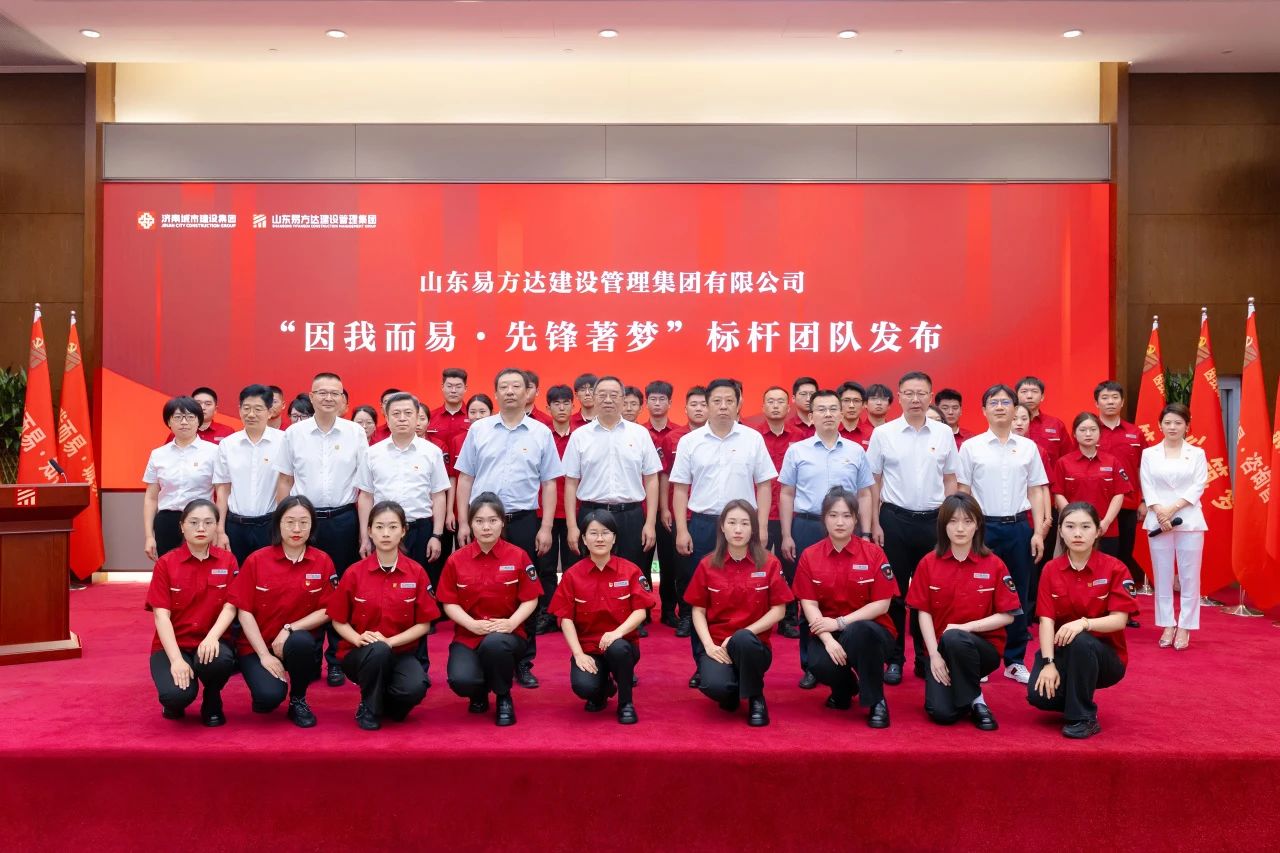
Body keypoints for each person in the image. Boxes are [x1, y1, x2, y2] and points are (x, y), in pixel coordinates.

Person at [454, 368, 563, 688]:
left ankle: (523, 662)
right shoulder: (479, 429)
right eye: (504, 386)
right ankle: (479, 650)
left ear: (528, 392)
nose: (511, 391)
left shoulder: (540, 432)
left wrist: (545, 527)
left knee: (524, 592)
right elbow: (465, 478)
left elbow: (550, 483)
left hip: (524, 521)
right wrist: (464, 521)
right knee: (480, 589)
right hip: (484, 522)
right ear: (496, 393)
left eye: (517, 386)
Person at [274, 372, 371, 687]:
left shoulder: (355, 432)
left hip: (344, 519)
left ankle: (337, 659)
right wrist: (284, 523)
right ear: (311, 396)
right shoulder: (294, 434)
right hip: (305, 521)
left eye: (334, 393)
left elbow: (365, 485)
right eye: (322, 392)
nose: (328, 398)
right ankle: (309, 656)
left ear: (343, 399)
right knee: (307, 589)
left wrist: (364, 532)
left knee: (341, 589)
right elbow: (285, 480)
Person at [866, 371, 960, 686]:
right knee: (895, 593)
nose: (915, 399)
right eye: (909, 393)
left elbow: (950, 478)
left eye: (921, 393)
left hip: (933, 521)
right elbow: (873, 481)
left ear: (930, 397)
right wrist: (874, 522)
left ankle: (925, 657)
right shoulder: (884, 434)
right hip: (894, 520)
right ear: (900, 396)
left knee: (930, 594)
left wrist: (949, 521)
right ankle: (894, 658)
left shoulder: (943, 433)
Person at [670, 378, 777, 649]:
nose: (723, 406)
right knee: (701, 590)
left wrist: (762, 526)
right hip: (704, 524)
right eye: (717, 401)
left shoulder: (752, 439)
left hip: (743, 525)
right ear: (707, 404)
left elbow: (765, 485)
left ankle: (743, 644)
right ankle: (703, 652)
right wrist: (682, 529)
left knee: (742, 587)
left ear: (739, 404)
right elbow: (680, 489)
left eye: (730, 400)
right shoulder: (689, 442)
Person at [778, 388, 874, 688]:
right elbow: (787, 493)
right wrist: (786, 534)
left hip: (847, 529)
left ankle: (849, 657)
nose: (829, 414)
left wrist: (866, 532)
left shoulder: (856, 451)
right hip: (808, 526)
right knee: (809, 597)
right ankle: (811, 664)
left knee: (848, 592)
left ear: (843, 412)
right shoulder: (797, 451)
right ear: (811, 415)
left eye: (834, 409)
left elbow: (865, 494)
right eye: (821, 409)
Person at [957, 384, 1048, 685]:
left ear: (1015, 409)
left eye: (1005, 402)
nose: (999, 407)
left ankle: (1014, 660)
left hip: (1019, 527)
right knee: (978, 592)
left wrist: (1038, 531)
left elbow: (1036, 490)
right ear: (983, 410)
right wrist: (965, 530)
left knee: (1017, 592)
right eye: (993, 402)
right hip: (982, 529)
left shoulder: (1028, 448)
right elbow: (963, 491)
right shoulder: (971, 447)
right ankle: (980, 657)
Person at [907, 493, 1021, 730]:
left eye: (967, 521)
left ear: (977, 525)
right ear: (943, 525)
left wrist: (964, 628)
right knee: (942, 714)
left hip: (983, 650)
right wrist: (934, 656)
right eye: (953, 521)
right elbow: (923, 612)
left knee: (954, 636)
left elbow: (1008, 615)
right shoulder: (928, 563)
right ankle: (965, 694)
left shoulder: (994, 564)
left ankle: (977, 700)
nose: (960, 528)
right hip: (941, 651)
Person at [1028, 502, 1139, 738]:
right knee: (1039, 697)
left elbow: (1119, 620)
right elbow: (1046, 621)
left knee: (1081, 640)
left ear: (1098, 531)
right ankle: (1074, 697)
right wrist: (1048, 663)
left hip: (1104, 657)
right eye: (1070, 526)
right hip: (1063, 651)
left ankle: (1084, 717)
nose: (1077, 533)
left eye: (1085, 527)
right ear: (1060, 531)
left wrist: (1084, 623)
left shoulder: (1115, 568)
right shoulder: (1050, 569)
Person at [329, 501, 437, 730]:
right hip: (361, 654)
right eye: (379, 527)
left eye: (393, 527)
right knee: (377, 651)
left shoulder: (416, 572)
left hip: (400, 652)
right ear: (369, 531)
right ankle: (369, 707)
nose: (386, 533)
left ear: (404, 530)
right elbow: (338, 619)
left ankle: (381, 699)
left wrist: (390, 642)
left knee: (414, 689)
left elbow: (424, 624)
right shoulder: (354, 573)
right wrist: (357, 638)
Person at [793, 488, 896, 728]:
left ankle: (876, 701)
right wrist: (828, 640)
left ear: (856, 519)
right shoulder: (810, 556)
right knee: (818, 663)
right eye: (833, 515)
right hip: (827, 631)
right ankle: (846, 689)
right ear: (824, 518)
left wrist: (840, 623)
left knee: (860, 631)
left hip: (872, 632)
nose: (840, 522)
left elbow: (883, 604)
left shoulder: (873, 553)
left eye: (847, 516)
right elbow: (808, 604)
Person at [684, 500, 793, 726]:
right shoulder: (707, 564)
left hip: (753, 647)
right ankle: (733, 689)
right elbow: (698, 610)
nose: (738, 529)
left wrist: (740, 635)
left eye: (744, 523)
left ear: (753, 529)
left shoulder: (769, 563)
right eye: (732, 523)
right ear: (722, 527)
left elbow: (779, 610)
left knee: (743, 639)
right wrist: (709, 646)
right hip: (718, 647)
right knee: (715, 687)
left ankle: (756, 697)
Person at [437, 493, 541, 726]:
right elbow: (449, 602)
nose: (486, 527)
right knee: (461, 680)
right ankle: (479, 692)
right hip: (469, 635)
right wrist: (471, 624)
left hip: (507, 634)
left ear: (502, 522)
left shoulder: (518, 556)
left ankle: (504, 696)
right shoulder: (456, 560)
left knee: (495, 644)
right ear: (470, 524)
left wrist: (511, 623)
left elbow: (531, 598)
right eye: (479, 521)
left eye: (493, 520)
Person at [229, 496, 333, 727]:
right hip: (257, 647)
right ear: (278, 524)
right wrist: (264, 655)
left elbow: (328, 609)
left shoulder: (322, 561)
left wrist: (290, 628)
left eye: (304, 522)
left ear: (312, 526)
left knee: (302, 640)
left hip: (296, 646)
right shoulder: (257, 560)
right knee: (269, 697)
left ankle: (298, 700)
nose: (297, 529)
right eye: (290, 522)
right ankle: (265, 690)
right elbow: (243, 610)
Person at [549, 510, 656, 724]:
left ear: (614, 538)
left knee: (618, 649)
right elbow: (565, 619)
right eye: (593, 533)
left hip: (621, 646)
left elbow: (641, 611)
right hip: (589, 649)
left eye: (605, 533)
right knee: (584, 687)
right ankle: (603, 688)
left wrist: (616, 633)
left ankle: (626, 703)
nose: (599, 539)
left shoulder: (630, 571)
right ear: (584, 539)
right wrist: (578, 654)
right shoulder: (572, 575)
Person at [145, 499, 237, 726]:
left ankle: (212, 698)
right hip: (174, 644)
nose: (201, 528)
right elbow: (161, 616)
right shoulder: (166, 563)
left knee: (220, 660)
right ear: (182, 526)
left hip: (210, 641)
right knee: (176, 696)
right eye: (194, 522)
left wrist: (213, 637)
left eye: (208, 522)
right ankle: (175, 702)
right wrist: (176, 660)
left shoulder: (228, 560)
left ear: (217, 526)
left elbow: (230, 606)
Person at [563, 375, 661, 572]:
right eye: (602, 395)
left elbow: (651, 479)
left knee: (633, 572)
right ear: (594, 398)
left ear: (623, 399)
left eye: (614, 395)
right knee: (592, 574)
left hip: (631, 516)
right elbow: (570, 483)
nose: (608, 400)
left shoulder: (639, 434)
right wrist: (572, 526)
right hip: (591, 515)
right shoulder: (580, 436)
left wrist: (650, 523)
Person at [1139, 402, 1208, 651]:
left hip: (1189, 519)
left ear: (1187, 426)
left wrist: (1172, 509)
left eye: (1178, 423)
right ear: (1160, 425)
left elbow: (1199, 485)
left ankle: (1185, 625)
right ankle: (1167, 623)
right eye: (1167, 422)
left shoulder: (1196, 454)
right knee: (1162, 574)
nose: (1172, 427)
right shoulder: (1150, 454)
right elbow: (1147, 484)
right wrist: (1160, 511)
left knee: (1190, 576)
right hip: (1157, 520)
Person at [360, 393, 449, 574]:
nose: (402, 418)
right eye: (396, 413)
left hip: (420, 530)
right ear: (387, 418)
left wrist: (436, 535)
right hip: (383, 531)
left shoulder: (432, 452)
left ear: (416, 417)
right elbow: (366, 496)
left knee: (421, 580)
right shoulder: (372, 453)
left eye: (408, 413)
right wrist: (365, 537)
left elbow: (439, 495)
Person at [752, 386, 805, 638]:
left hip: (789, 515)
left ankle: (789, 618)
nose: (775, 406)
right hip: (758, 513)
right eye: (770, 401)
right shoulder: (753, 437)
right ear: (763, 406)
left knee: (790, 568)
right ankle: (757, 616)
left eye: (780, 401)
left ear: (788, 406)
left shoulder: (800, 437)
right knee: (756, 567)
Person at [213, 384, 284, 565]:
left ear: (270, 412)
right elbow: (222, 490)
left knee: (270, 575)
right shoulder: (228, 445)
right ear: (239, 410)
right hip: (235, 526)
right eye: (246, 408)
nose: (251, 414)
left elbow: (288, 484)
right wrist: (220, 530)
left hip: (270, 525)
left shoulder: (283, 441)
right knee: (236, 576)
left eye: (258, 409)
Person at [143, 396, 219, 561]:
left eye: (190, 417)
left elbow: (222, 493)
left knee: (202, 565)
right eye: (177, 417)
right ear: (169, 422)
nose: (184, 422)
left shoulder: (214, 452)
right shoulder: (158, 454)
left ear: (198, 421)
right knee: (169, 567)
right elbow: (151, 497)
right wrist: (149, 536)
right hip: (167, 520)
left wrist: (218, 529)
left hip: (201, 519)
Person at [658, 385, 708, 629]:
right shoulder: (673, 438)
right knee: (682, 567)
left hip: (707, 513)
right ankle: (686, 614)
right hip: (681, 513)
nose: (699, 409)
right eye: (694, 405)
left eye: (703, 404)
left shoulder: (717, 438)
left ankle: (710, 613)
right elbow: (665, 476)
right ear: (685, 408)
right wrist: (665, 508)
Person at [1050, 413, 1133, 557]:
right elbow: (1058, 494)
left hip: (1106, 529)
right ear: (1074, 433)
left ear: (1100, 433)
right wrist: (1075, 520)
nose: (1088, 434)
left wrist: (1105, 522)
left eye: (1093, 429)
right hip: (1074, 531)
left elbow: (1119, 494)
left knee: (1106, 568)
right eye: (1082, 430)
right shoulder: (1063, 463)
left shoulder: (1112, 461)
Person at [1094, 380, 1149, 595]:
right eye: (1105, 398)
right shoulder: (1089, 430)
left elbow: (1143, 469)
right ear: (1096, 403)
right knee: (1097, 554)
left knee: (1124, 554)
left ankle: (1122, 599)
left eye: (1115, 397)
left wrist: (1143, 500)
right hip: (1096, 505)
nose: (1110, 402)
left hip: (1127, 504)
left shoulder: (1135, 433)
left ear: (1122, 402)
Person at [533, 384, 577, 635]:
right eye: (556, 404)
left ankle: (570, 613)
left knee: (574, 567)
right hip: (544, 513)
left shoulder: (581, 435)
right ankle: (548, 613)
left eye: (566, 403)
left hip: (574, 513)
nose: (561, 408)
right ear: (548, 408)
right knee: (545, 568)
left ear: (573, 405)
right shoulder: (541, 435)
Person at [642, 379, 681, 626]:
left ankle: (668, 610)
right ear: (646, 403)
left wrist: (667, 507)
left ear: (670, 403)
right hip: (642, 509)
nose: (657, 403)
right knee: (641, 561)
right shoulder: (637, 433)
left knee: (670, 563)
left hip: (670, 511)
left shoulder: (679, 434)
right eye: (653, 399)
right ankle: (643, 611)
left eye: (662, 399)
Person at [1016, 376, 1074, 469]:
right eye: (1024, 391)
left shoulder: (1056, 424)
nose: (1029, 396)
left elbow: (1068, 459)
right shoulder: (1007, 424)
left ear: (1042, 397)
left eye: (1034, 391)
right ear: (1016, 396)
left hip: (1049, 477)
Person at [837, 381, 872, 449]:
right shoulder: (831, 431)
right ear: (838, 403)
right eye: (846, 400)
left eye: (856, 401)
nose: (851, 405)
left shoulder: (872, 433)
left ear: (864, 404)